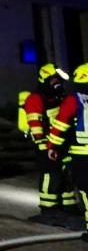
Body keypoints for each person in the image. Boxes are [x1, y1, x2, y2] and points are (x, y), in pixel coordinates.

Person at [20, 63, 76, 225]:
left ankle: (68, 205)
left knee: (67, 174)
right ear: (45, 80)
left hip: (61, 143)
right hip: (46, 144)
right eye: (53, 80)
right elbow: (35, 123)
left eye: (58, 79)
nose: (57, 83)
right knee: (51, 175)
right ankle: (48, 208)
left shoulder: (59, 97)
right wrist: (43, 145)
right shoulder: (35, 99)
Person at [47, 64, 88, 237]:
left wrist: (52, 146)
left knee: (86, 191)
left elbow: (60, 124)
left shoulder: (73, 99)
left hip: (82, 155)